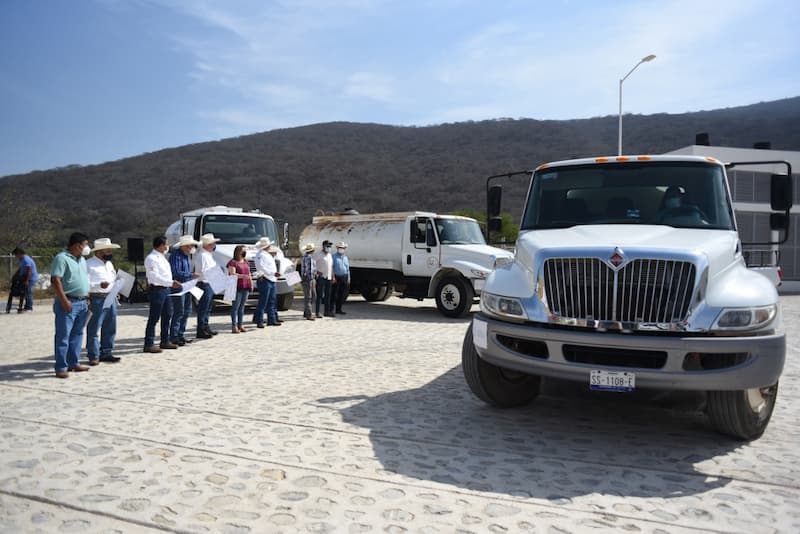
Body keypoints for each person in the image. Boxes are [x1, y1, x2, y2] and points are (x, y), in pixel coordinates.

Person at [50, 232, 91, 378]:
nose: (87, 248)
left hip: (82, 301)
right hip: (68, 301)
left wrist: (87, 297)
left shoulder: (82, 260)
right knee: (63, 335)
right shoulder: (61, 258)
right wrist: (63, 300)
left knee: (78, 334)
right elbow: (55, 280)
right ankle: (61, 366)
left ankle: (73, 362)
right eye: (85, 244)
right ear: (76, 245)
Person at [86, 238, 121, 364]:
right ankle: (93, 354)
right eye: (108, 250)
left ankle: (106, 352)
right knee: (94, 327)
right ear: (100, 251)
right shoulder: (89, 264)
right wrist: (98, 284)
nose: (110, 252)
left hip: (110, 297)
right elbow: (85, 283)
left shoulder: (109, 264)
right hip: (97, 297)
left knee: (110, 326)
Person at [144, 236, 181, 353]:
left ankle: (165, 340)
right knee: (154, 317)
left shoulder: (163, 258)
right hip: (157, 289)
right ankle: (148, 343)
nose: (167, 246)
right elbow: (154, 276)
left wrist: (170, 283)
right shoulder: (151, 258)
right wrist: (170, 282)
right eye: (166, 244)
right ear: (160, 245)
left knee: (167, 315)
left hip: (166, 289)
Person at [169, 235, 199, 346]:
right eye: (190, 246)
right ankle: (174, 336)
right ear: (184, 246)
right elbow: (175, 272)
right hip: (179, 286)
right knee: (179, 311)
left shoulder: (185, 256)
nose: (191, 247)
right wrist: (191, 275)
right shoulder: (175, 256)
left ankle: (180, 334)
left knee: (186, 311)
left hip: (186, 285)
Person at [194, 233, 221, 339]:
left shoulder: (207, 255)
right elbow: (206, 271)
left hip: (208, 283)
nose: (214, 245)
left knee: (208, 307)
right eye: (213, 243)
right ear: (208, 244)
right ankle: (201, 329)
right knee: (203, 308)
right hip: (204, 283)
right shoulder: (203, 255)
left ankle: (205, 326)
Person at [252, 238, 281, 327]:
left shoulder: (266, 254)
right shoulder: (260, 255)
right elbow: (262, 268)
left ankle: (271, 319)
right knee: (263, 301)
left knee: (271, 301)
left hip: (271, 279)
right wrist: (273, 273)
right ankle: (259, 320)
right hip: (265, 279)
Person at [227, 245, 252, 333]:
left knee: (242, 307)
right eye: (243, 250)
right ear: (238, 252)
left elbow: (249, 274)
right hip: (237, 287)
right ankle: (234, 326)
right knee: (235, 307)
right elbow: (232, 273)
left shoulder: (246, 261)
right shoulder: (232, 262)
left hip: (246, 286)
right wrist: (242, 276)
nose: (245, 252)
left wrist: (251, 284)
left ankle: (240, 325)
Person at [13, 247, 38, 312]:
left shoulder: (26, 259)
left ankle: (29, 307)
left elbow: (29, 270)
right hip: (25, 278)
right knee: (25, 292)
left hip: (30, 278)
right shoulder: (22, 260)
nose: (16, 256)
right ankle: (26, 306)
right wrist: (15, 275)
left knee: (28, 292)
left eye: (16, 254)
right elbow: (21, 269)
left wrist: (27, 280)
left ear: (19, 253)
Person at [315, 240, 334, 318]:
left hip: (329, 277)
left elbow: (331, 266)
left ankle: (327, 311)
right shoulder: (318, 254)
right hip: (321, 277)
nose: (329, 247)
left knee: (328, 295)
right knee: (319, 295)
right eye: (327, 246)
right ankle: (317, 312)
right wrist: (317, 272)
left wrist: (333, 276)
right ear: (323, 246)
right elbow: (312, 264)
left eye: (330, 246)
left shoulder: (330, 255)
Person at [332, 241, 350, 315]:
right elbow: (331, 267)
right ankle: (331, 309)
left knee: (341, 294)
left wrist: (348, 278)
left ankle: (339, 309)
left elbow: (347, 268)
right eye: (340, 248)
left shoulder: (345, 257)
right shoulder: (334, 256)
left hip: (344, 276)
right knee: (334, 293)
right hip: (336, 276)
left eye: (343, 248)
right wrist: (333, 277)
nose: (341, 249)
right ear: (337, 248)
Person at [300, 242, 316, 320]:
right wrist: (312, 280)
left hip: (306, 278)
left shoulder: (305, 257)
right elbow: (309, 270)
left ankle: (306, 311)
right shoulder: (309, 258)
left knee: (310, 296)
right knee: (309, 297)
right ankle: (308, 314)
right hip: (308, 279)